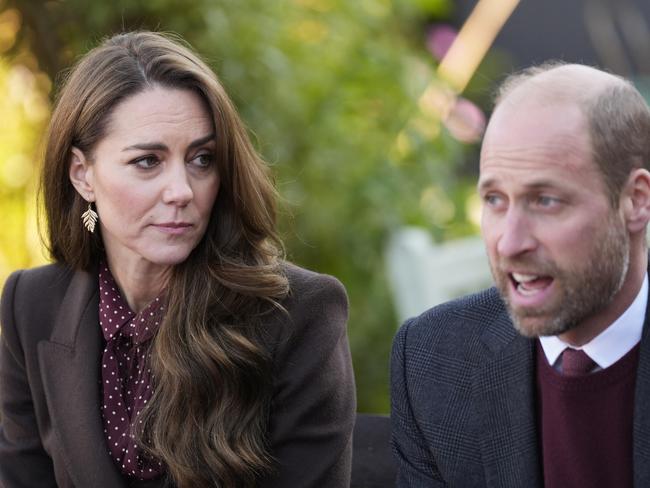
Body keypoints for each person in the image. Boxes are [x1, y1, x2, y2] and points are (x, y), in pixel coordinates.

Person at [0, 31, 355, 488]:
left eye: (202, 159)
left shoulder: (299, 314)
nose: (182, 191)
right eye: (148, 161)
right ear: (82, 175)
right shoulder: (30, 305)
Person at [390, 62, 650, 487]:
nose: (510, 243)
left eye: (545, 200)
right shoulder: (433, 359)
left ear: (635, 201)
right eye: (495, 199)